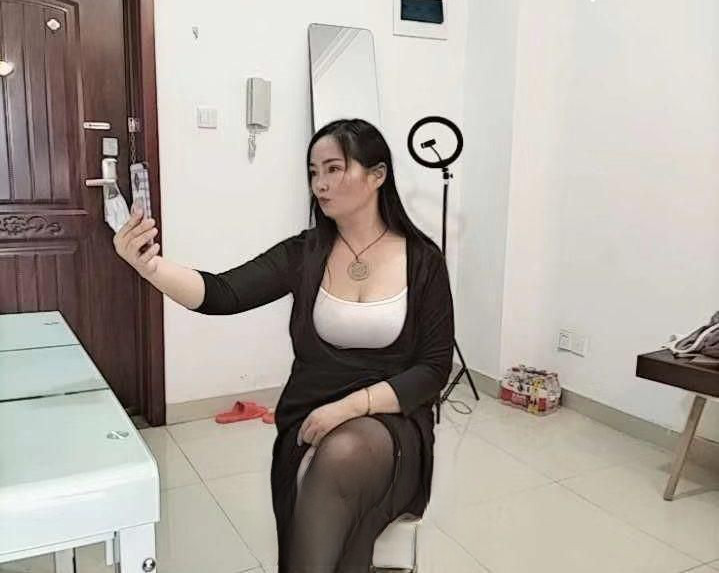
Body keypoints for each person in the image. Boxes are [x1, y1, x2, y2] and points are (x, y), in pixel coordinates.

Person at [113, 118, 454, 572]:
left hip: (392, 420)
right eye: (313, 172)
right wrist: (151, 268)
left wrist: (351, 407)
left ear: (377, 175)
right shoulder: (305, 253)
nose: (320, 184)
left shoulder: (423, 260)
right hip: (310, 414)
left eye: (334, 169)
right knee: (330, 472)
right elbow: (222, 293)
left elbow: (433, 369)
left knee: (344, 453)